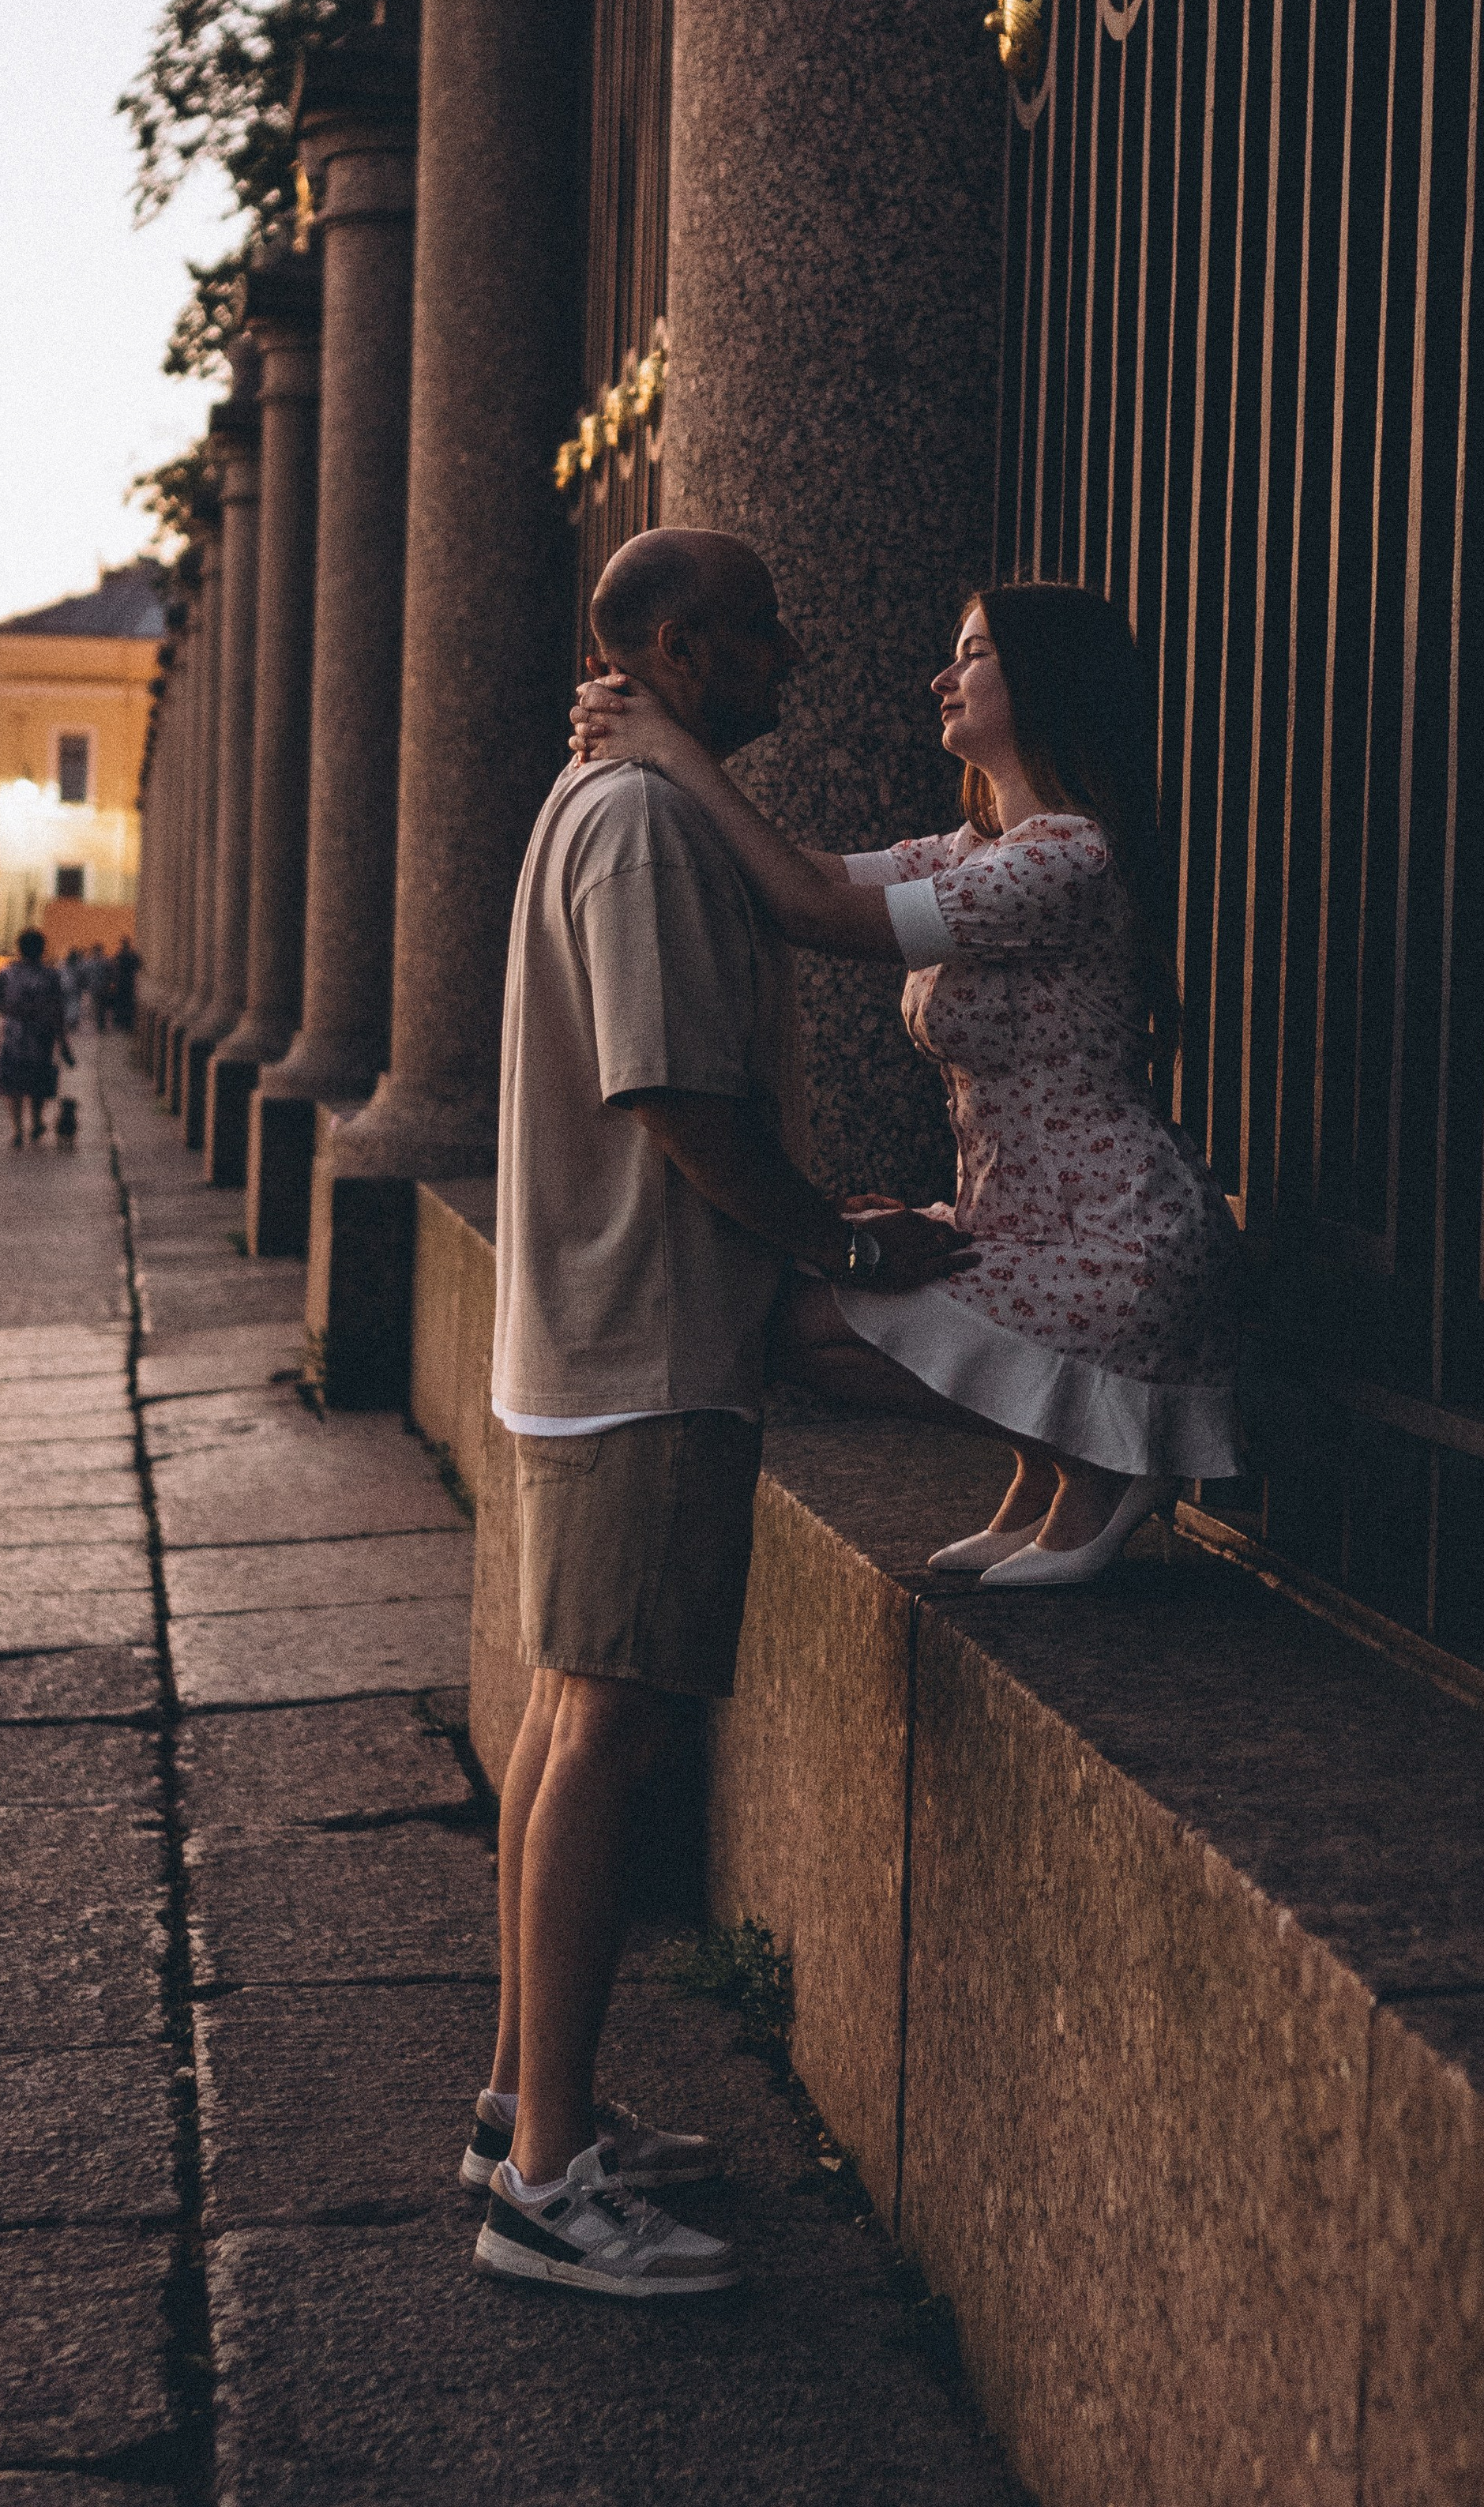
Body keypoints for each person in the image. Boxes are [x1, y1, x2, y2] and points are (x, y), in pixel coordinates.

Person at [470, 528, 971, 2302]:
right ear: (682, 647)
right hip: (645, 1343)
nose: (794, 659)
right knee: (607, 1728)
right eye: (761, 634)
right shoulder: (648, 825)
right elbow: (677, 1097)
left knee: (564, 1713)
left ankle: (533, 2104)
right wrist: (838, 1235)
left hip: (590, 1334)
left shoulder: (609, 801)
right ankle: (544, 2184)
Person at [575, 579, 1242, 1584]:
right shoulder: (977, 851)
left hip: (1118, 1242)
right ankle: (1053, 1459)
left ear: (1048, 680)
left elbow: (814, 914)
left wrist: (672, 752)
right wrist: (657, 741)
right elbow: (800, 870)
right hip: (1027, 1225)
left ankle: (1107, 1455)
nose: (943, 677)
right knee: (791, 1302)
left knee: (802, 1324)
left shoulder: (1070, 858)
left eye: (974, 655)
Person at [0, 928, 73, 1149]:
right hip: (42, 1036)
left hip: (13, 1036)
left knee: (12, 1083)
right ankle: (35, 1122)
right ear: (42, 949)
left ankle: (17, 1130)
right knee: (38, 1080)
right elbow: (58, 1010)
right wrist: (63, 1042)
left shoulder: (6, 973)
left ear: (19, 948)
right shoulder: (51, 976)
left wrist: (13, 1010)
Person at [109, 938, 141, 1033]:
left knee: (120, 1003)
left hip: (121, 982)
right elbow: (139, 965)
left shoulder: (119, 955)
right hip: (129, 982)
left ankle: (121, 1022)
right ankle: (128, 1023)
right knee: (128, 1003)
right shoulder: (132, 955)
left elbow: (113, 968)